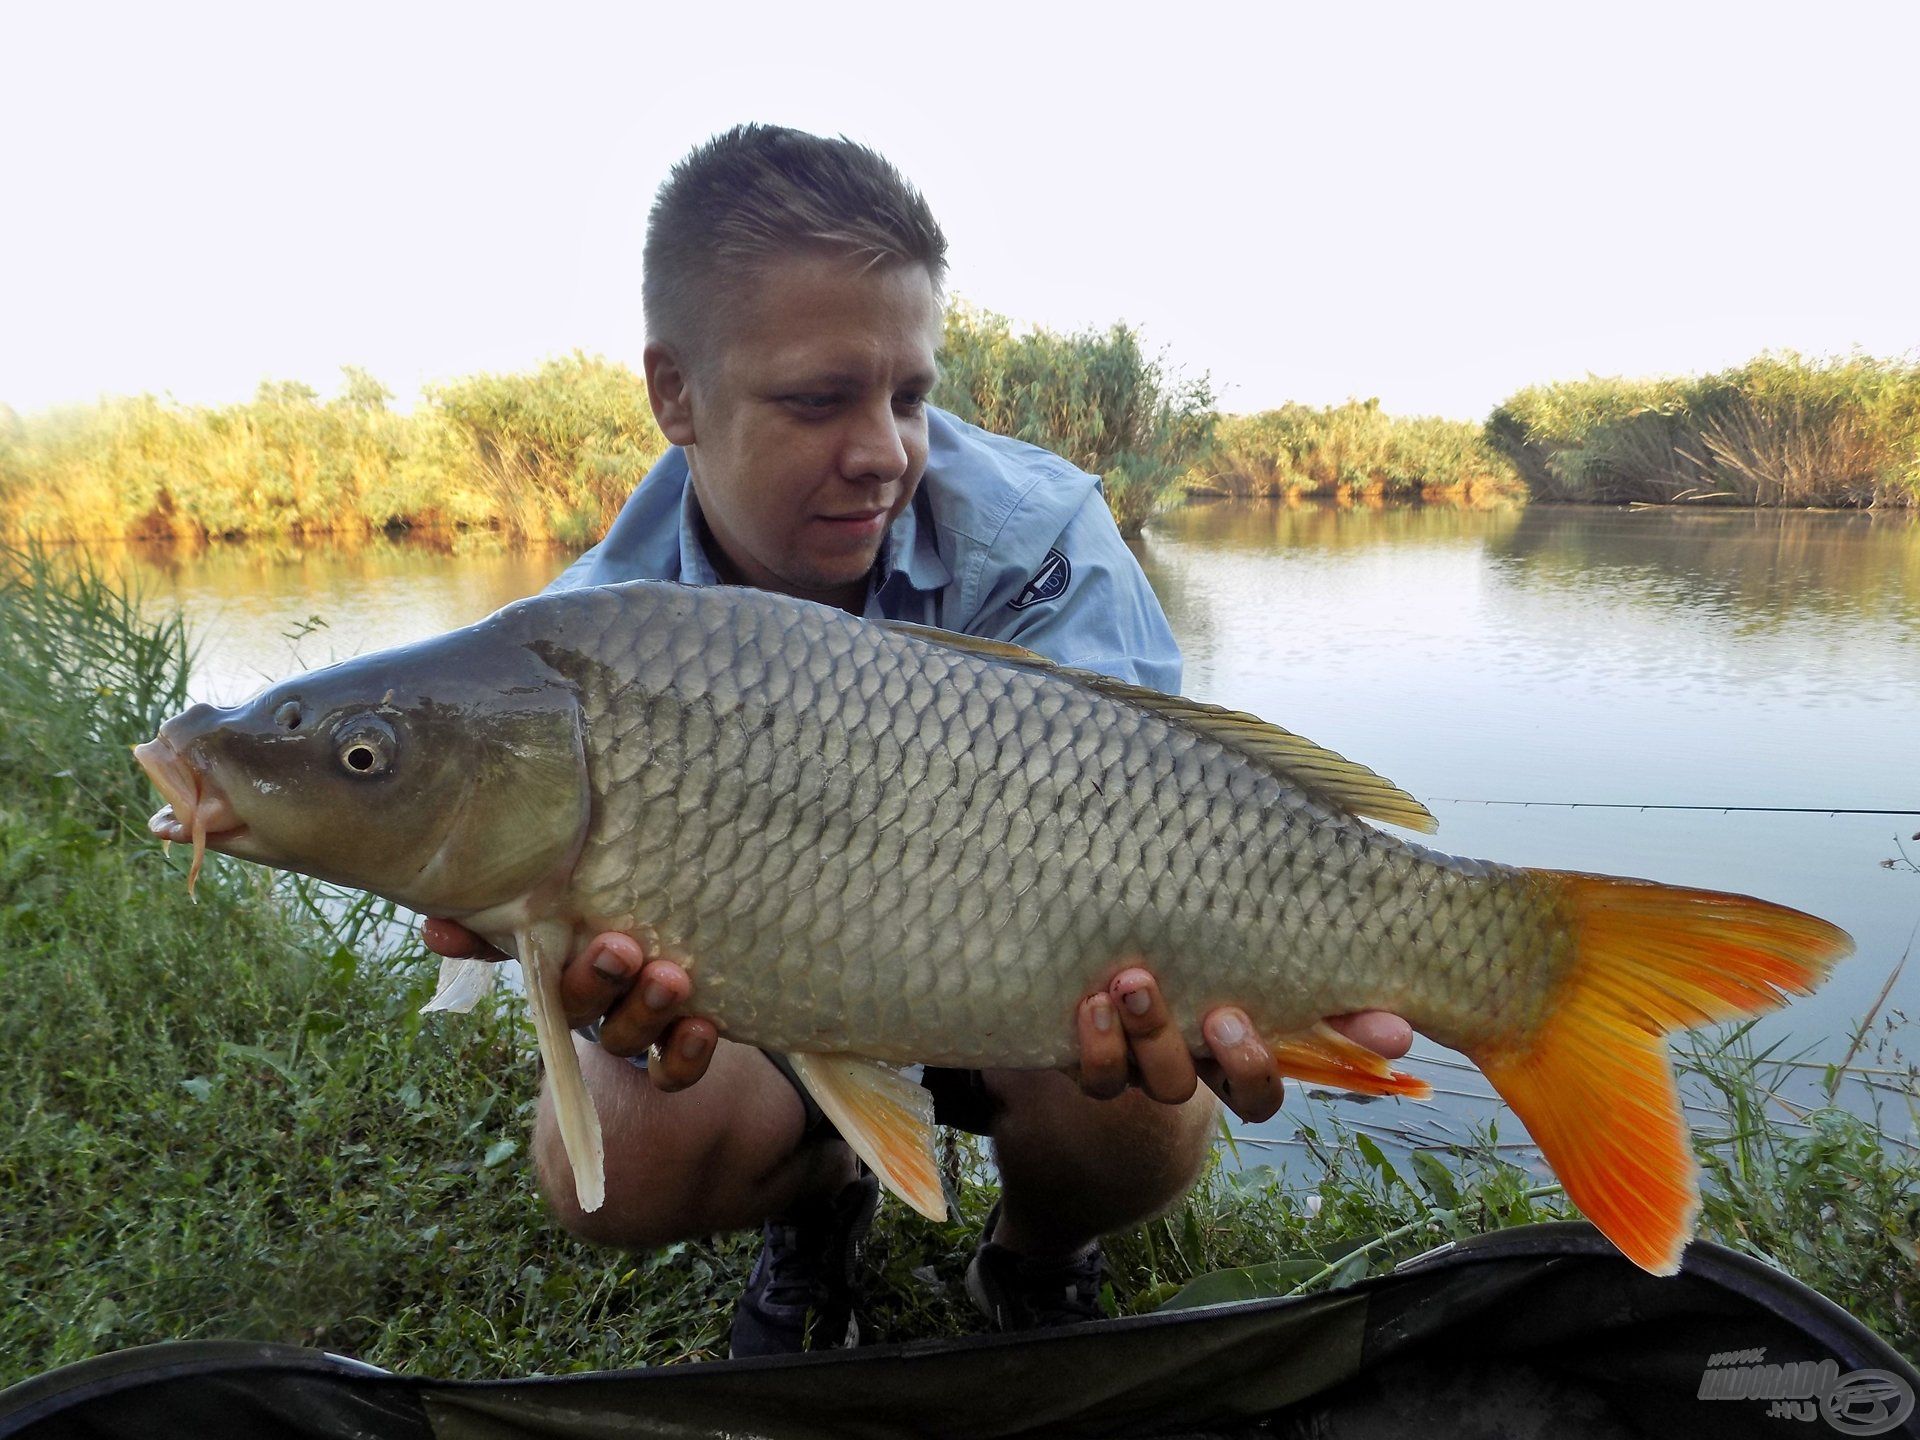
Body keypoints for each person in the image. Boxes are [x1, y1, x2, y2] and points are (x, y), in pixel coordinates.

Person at [424, 124, 1412, 1357]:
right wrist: (584, 986)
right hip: (768, 990)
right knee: (608, 1167)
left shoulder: (1043, 532)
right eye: (818, 399)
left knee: (1146, 1093)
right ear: (675, 391)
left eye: (910, 394)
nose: (885, 449)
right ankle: (824, 1197)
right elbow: (584, 969)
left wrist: (1290, 970)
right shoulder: (579, 645)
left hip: (1030, 974)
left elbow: (1163, 813)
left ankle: (1039, 1254)